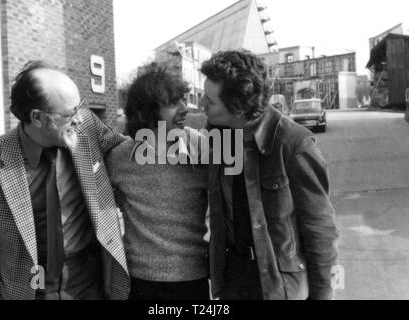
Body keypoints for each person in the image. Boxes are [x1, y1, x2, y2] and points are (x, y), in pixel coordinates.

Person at [0, 61, 129, 300]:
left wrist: (174, 143)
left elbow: (128, 152)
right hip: (30, 289)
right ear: (38, 118)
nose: (79, 119)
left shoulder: (87, 129)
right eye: (69, 113)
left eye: (80, 107)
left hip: (89, 285)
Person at [200, 50, 338, 300]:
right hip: (233, 280)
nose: (202, 105)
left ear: (238, 107)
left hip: (279, 288)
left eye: (210, 101)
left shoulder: (294, 144)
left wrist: (325, 296)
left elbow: (322, 234)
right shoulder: (219, 137)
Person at [105, 63, 210, 300]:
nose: (185, 109)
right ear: (147, 111)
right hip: (139, 281)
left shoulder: (203, 147)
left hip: (193, 279)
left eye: (183, 100)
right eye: (174, 103)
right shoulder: (119, 157)